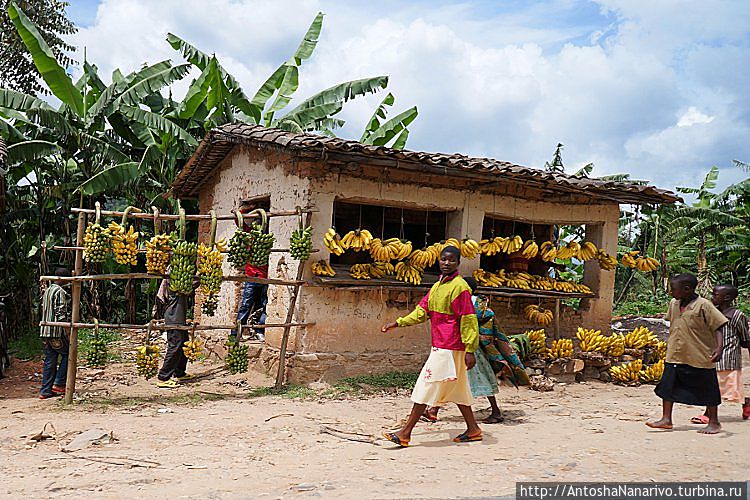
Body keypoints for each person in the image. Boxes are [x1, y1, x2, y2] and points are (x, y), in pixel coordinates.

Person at [381, 246, 482, 446]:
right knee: (458, 390)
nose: (446, 263)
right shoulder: (437, 286)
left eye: (451, 260)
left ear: (458, 263)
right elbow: (422, 311)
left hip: (450, 347)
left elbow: (469, 320)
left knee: (425, 386)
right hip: (443, 346)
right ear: (438, 260)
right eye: (443, 259)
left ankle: (405, 433)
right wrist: (398, 323)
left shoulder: (460, 287)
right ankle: (473, 429)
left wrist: (471, 349)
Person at [424, 277, 528, 424]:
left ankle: (435, 410)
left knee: (448, 375)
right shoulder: (481, 307)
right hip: (475, 347)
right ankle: (434, 409)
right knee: (480, 376)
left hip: (461, 346)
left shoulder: (460, 301)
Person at [646, 273, 728, 434]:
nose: (671, 292)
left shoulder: (704, 305)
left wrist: (719, 348)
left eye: (673, 289)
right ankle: (666, 419)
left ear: (687, 289)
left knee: (708, 387)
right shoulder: (673, 303)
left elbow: (718, 326)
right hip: (676, 353)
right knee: (668, 386)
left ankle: (714, 422)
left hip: (699, 354)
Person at [690, 285, 750, 424]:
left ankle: (708, 414)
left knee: (723, 388)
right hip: (711, 356)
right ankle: (746, 402)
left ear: (727, 298)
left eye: (716, 295)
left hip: (729, 357)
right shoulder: (711, 312)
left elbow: (745, 338)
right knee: (719, 387)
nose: (712, 297)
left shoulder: (737, 315)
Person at [230, 201, 268, 342]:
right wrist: (246, 209)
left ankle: (259, 329)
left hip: (265, 277)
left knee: (263, 306)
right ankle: (236, 333)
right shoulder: (248, 235)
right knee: (246, 305)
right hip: (251, 276)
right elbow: (239, 220)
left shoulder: (265, 240)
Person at [155, 277, 196, 388]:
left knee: (184, 344)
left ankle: (179, 372)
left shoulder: (177, 283)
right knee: (175, 347)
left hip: (179, 319)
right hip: (174, 320)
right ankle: (163, 377)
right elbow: (190, 286)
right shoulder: (174, 283)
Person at [39, 267, 71, 399]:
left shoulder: (48, 290)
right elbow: (61, 313)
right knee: (68, 355)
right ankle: (59, 383)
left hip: (46, 331)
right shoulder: (59, 291)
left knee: (50, 360)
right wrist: (68, 331)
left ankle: (45, 390)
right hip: (55, 331)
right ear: (63, 280)